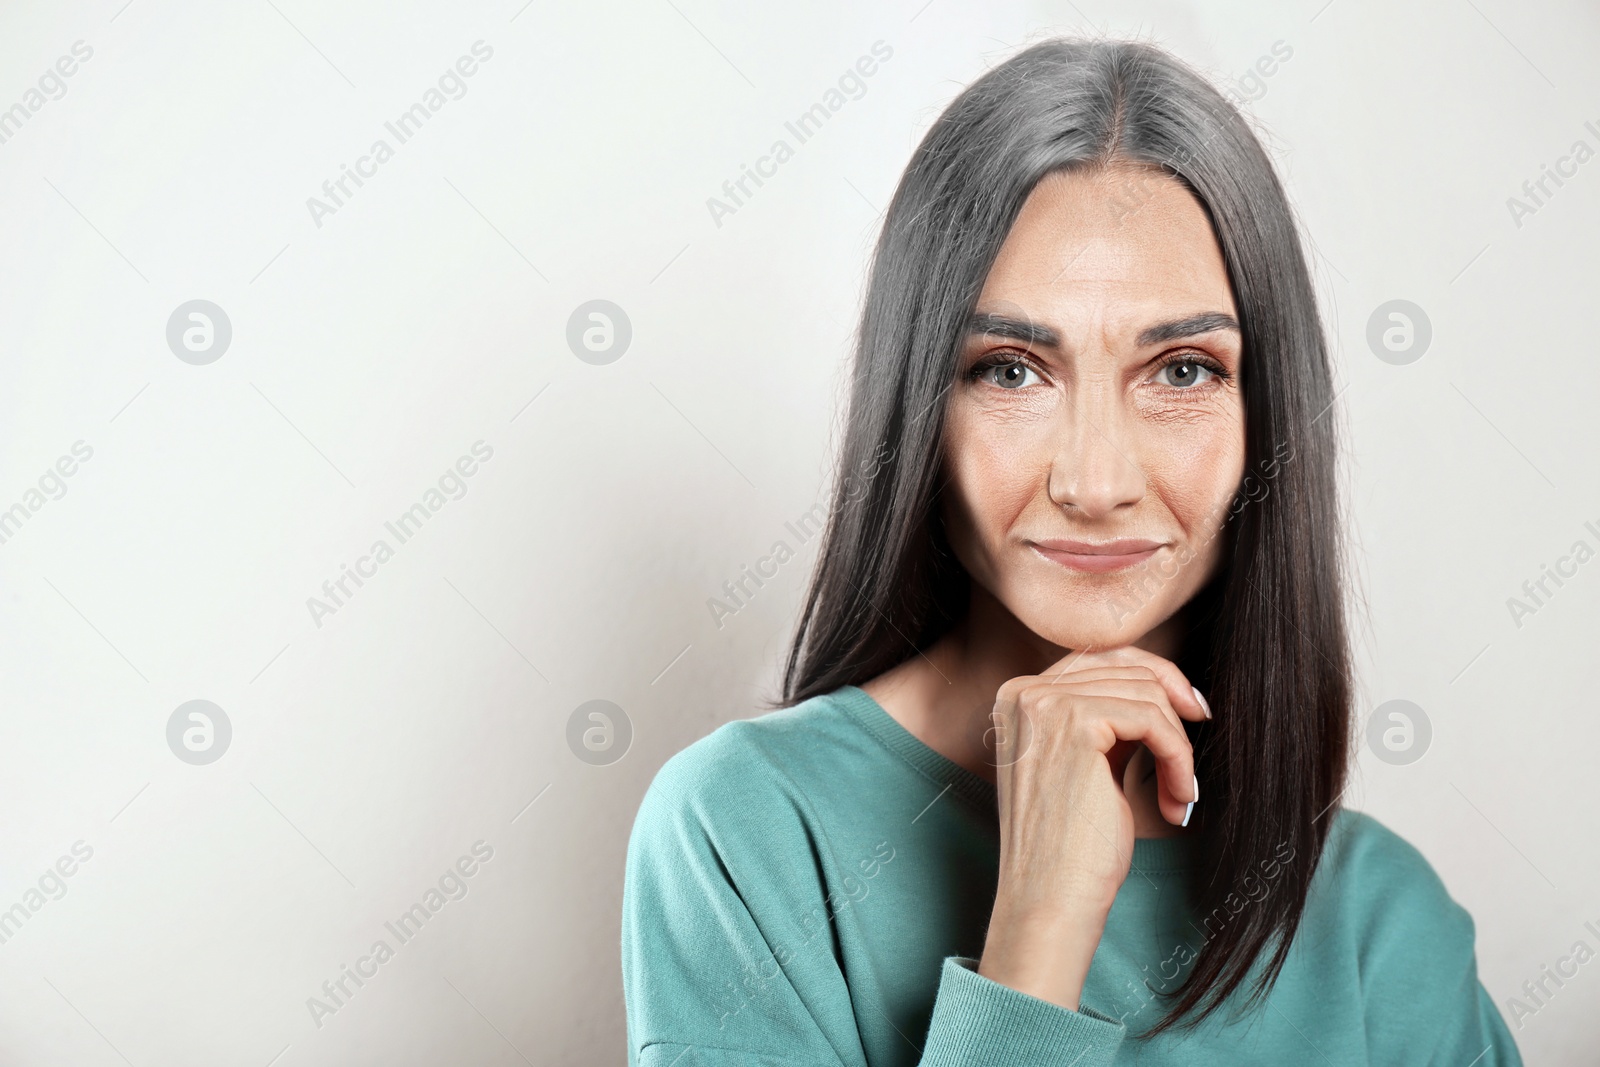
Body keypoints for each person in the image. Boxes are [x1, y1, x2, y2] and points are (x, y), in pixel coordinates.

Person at [621, 36, 1523, 1065]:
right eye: (1009, 370)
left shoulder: (1380, 923)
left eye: (1181, 371)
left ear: (1265, 417)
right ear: (915, 404)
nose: (1094, 484)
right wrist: (1035, 936)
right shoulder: (746, 832)